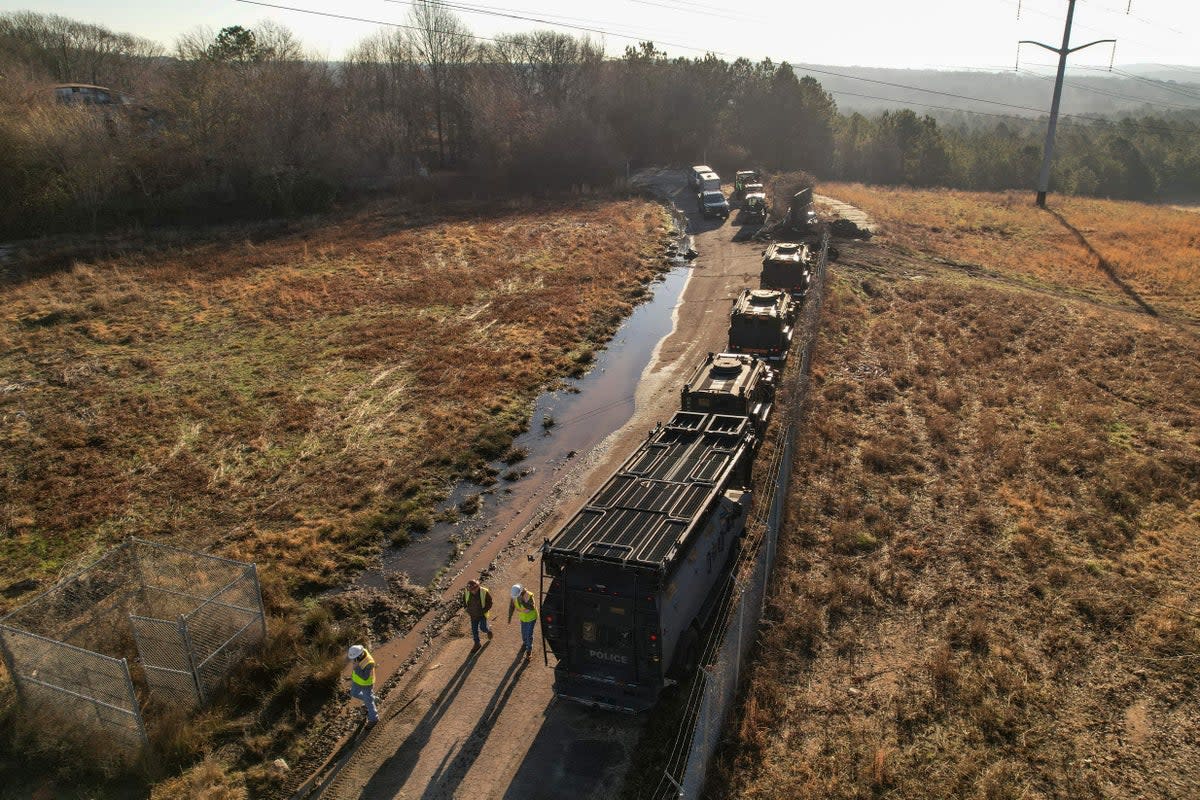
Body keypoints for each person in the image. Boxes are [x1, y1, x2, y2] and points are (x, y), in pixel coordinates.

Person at [346, 644, 378, 726]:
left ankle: (373, 719)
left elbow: (365, 677)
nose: (352, 660)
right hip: (356, 682)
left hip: (366, 684)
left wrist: (356, 667)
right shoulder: (360, 653)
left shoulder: (369, 663)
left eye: (354, 659)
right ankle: (373, 698)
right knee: (354, 693)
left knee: (368, 703)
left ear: (359, 656)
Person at [508, 584, 538, 661]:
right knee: (523, 633)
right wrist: (510, 617)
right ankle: (525, 643)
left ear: (521, 592)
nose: (515, 597)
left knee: (529, 634)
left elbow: (532, 607)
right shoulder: (514, 596)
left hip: (531, 618)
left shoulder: (528, 595)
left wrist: (523, 602)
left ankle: (529, 651)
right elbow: (512, 606)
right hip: (523, 618)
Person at [462, 579, 493, 653]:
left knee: (483, 628)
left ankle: (488, 630)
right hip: (473, 615)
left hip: (482, 614)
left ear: (478, 586)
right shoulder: (467, 592)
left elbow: (490, 602)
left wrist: (484, 610)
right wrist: (467, 609)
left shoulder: (484, 592)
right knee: (474, 630)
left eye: (475, 588)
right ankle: (477, 643)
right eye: (472, 589)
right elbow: (464, 601)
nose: (474, 590)